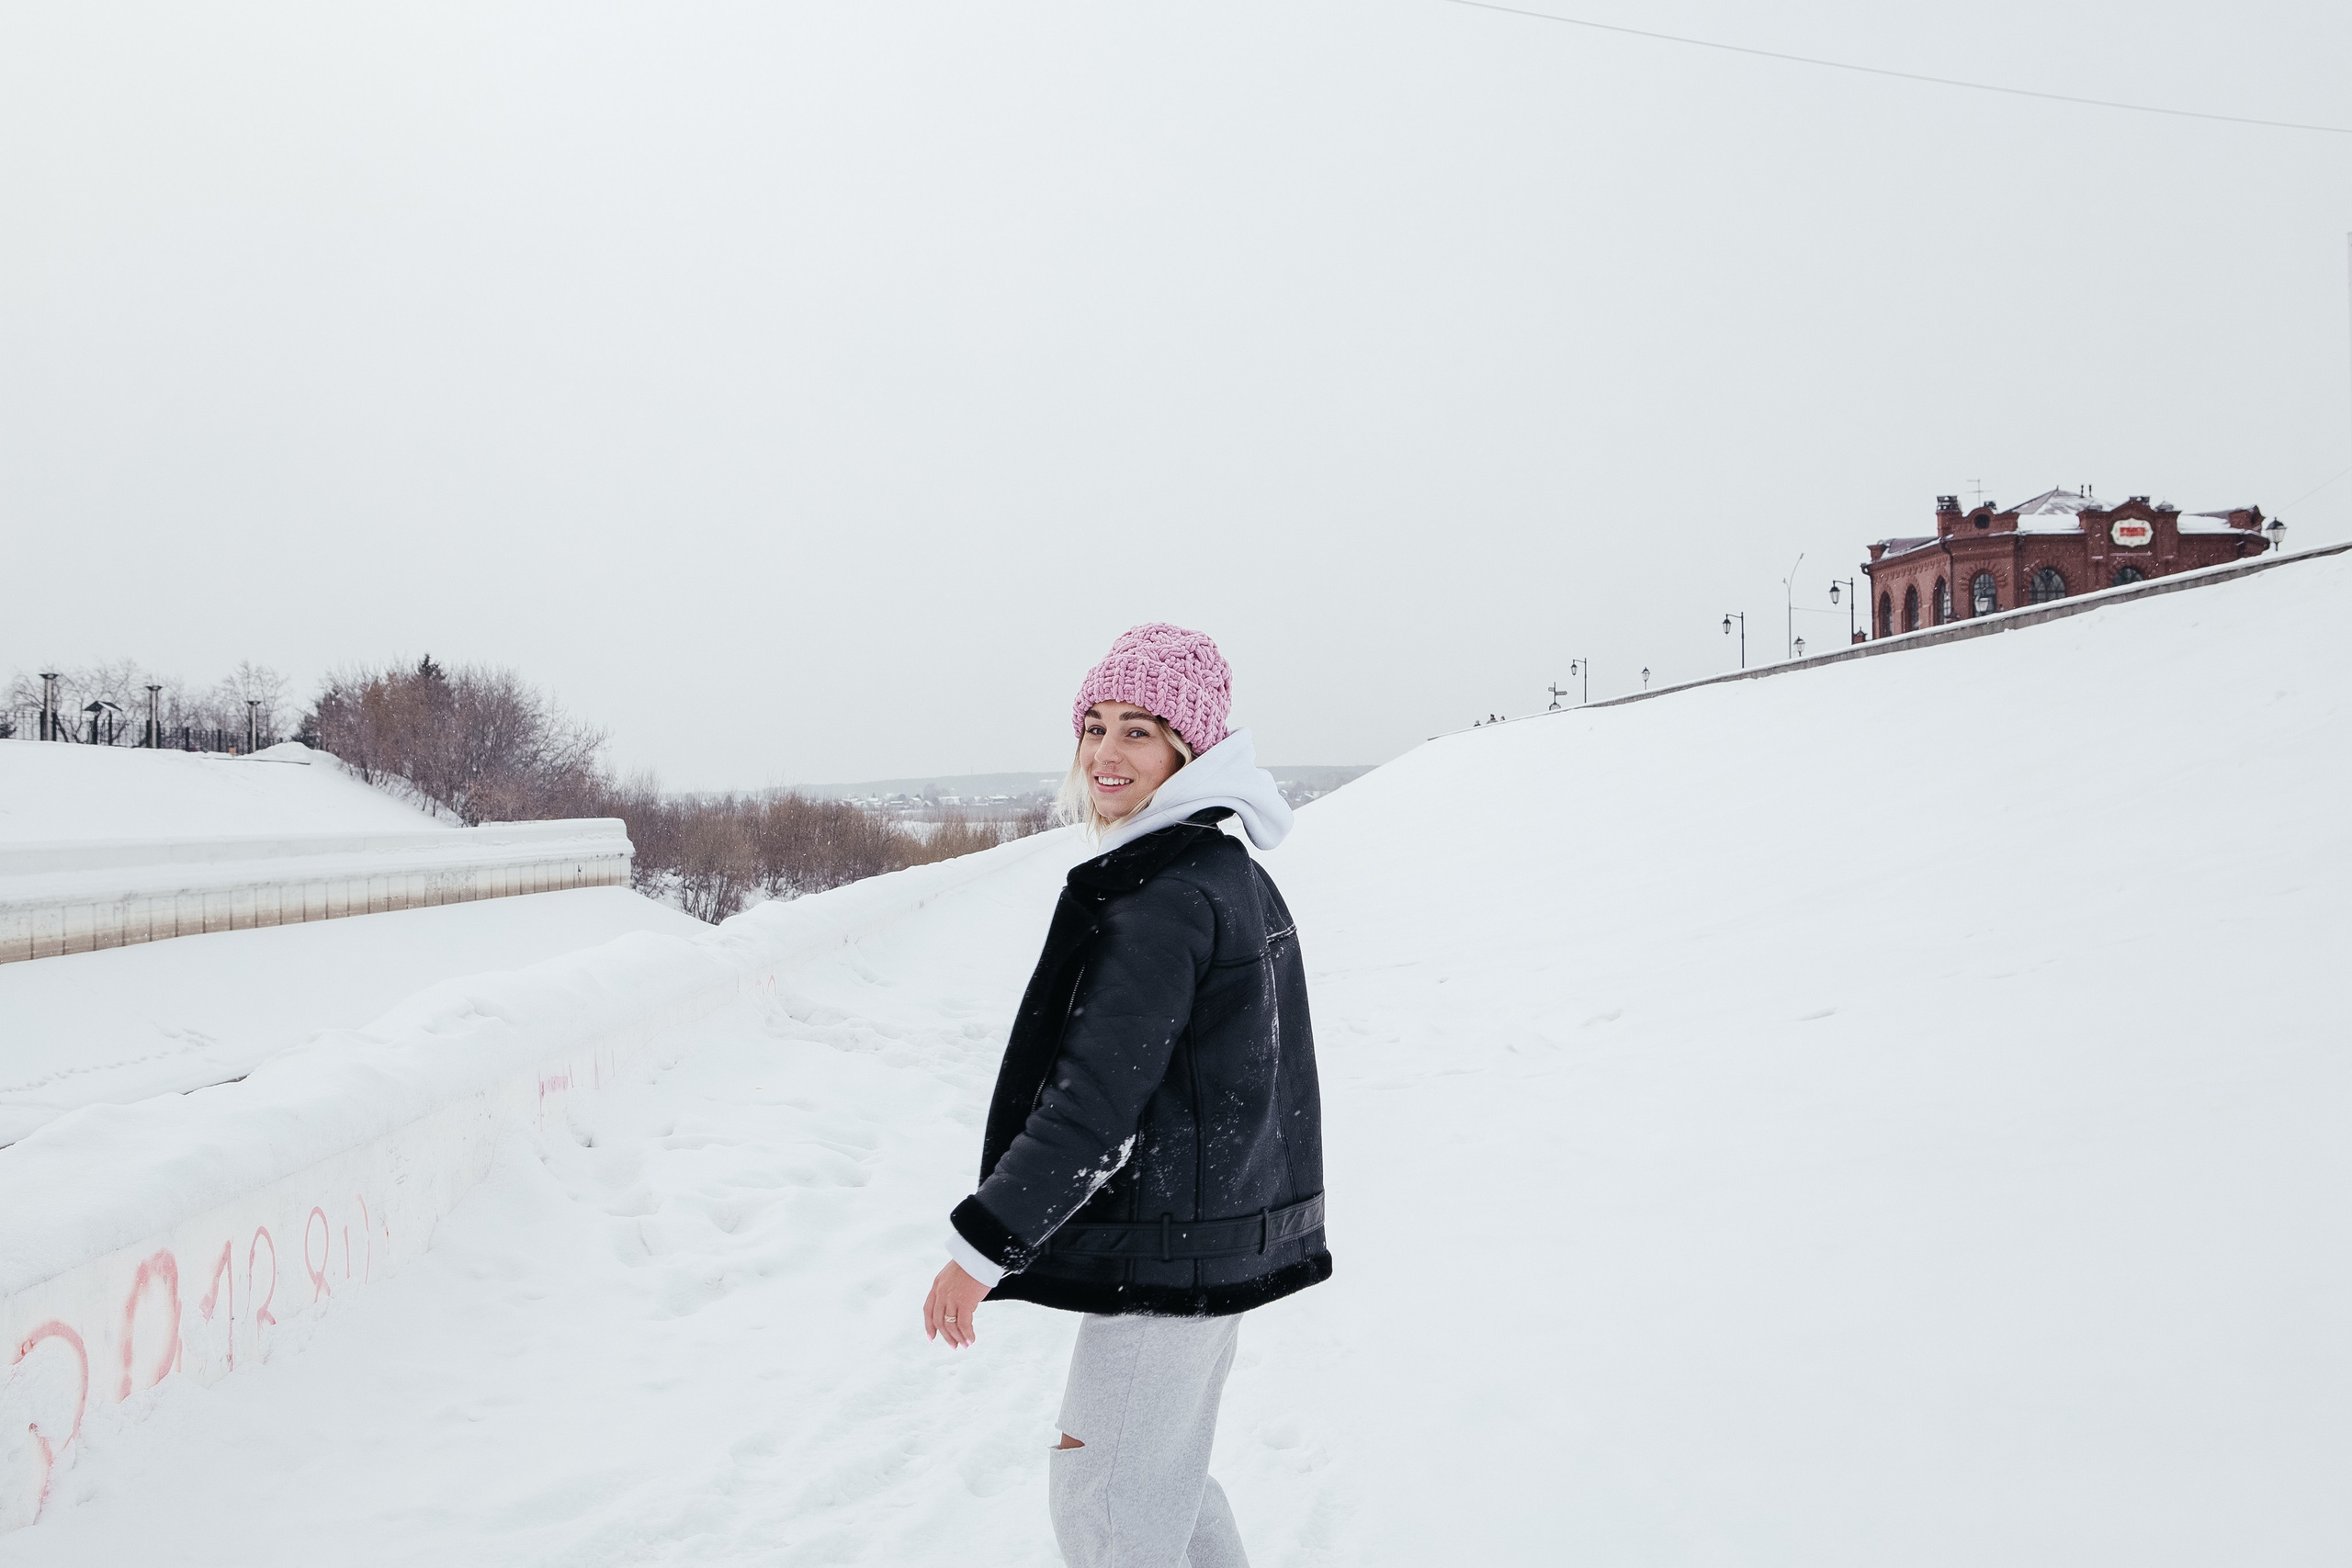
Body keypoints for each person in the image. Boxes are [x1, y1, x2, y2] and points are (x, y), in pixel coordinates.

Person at [922, 622, 1330, 1568]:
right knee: (1161, 1485)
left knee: (1106, 1507)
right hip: (1206, 1244)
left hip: (1171, 1258)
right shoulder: (1224, 872)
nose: (1106, 751)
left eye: (1139, 730)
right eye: (1095, 726)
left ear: (1188, 750)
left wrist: (980, 1248)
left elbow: (1093, 1107)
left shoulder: (1162, 898)